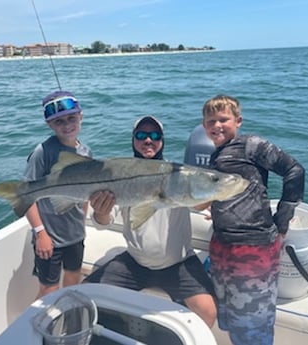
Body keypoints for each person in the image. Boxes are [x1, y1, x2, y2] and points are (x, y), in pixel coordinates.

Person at [85, 115, 217, 328]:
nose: (148, 140)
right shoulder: (119, 176)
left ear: (162, 141)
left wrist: (215, 195)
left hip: (178, 263)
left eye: (155, 135)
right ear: (133, 140)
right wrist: (101, 212)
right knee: (87, 295)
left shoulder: (180, 175)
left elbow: (200, 203)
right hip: (135, 262)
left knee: (207, 310)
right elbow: (104, 222)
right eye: (142, 135)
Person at [200, 94, 305, 345]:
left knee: (253, 327)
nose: (217, 125)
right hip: (222, 245)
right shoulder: (217, 154)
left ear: (238, 121)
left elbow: (294, 171)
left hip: (254, 248)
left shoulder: (251, 145)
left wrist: (283, 219)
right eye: (210, 121)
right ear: (204, 126)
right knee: (229, 317)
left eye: (223, 119)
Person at [24, 90, 91, 299]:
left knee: (73, 278)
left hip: (75, 234)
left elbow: (86, 192)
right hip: (50, 237)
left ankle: (66, 316)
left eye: (71, 118)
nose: (67, 125)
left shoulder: (87, 152)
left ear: (81, 116)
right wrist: (41, 234)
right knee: (49, 288)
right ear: (50, 125)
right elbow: (25, 195)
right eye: (59, 121)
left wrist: (84, 222)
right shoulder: (43, 152)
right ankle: (34, 327)